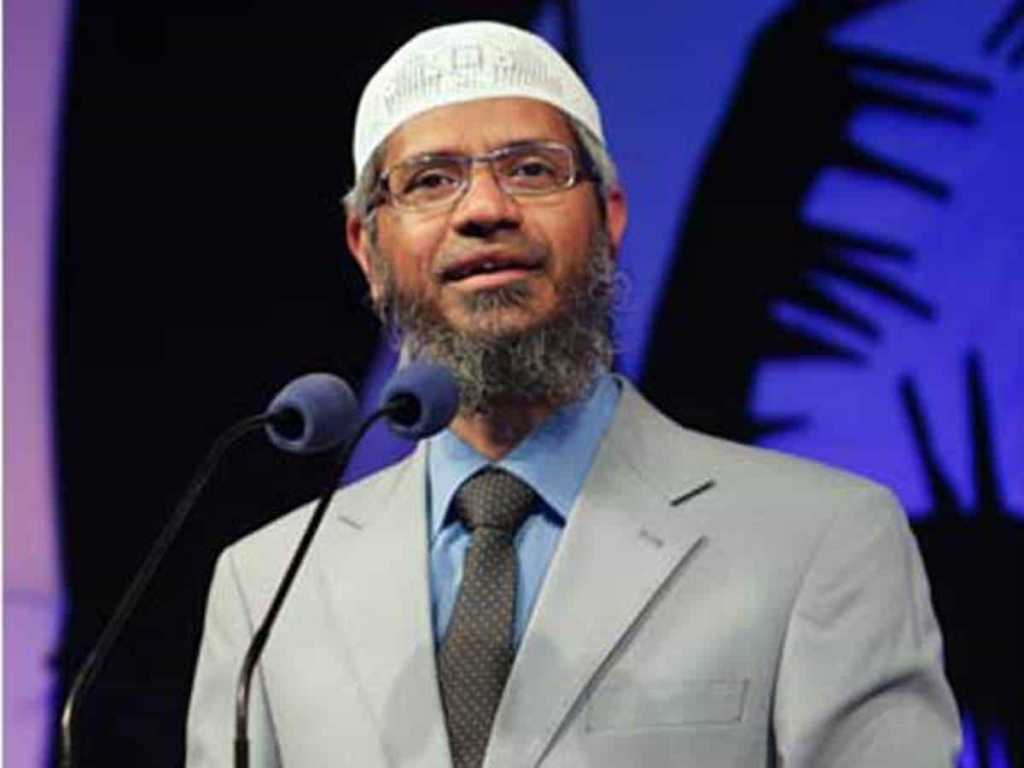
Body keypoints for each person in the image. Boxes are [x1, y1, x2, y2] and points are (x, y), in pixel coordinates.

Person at [187, 20, 961, 768]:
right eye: (431, 181)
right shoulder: (268, 584)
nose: (484, 209)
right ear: (367, 246)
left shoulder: (822, 539)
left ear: (609, 216)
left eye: (531, 169)